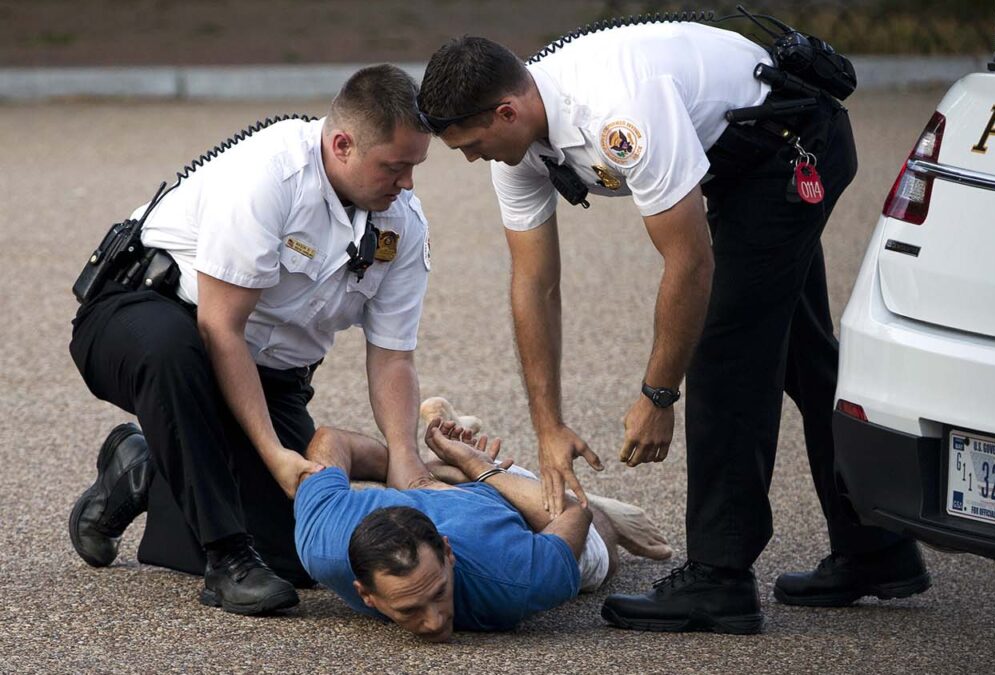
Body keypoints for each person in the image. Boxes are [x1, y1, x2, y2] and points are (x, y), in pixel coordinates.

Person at [417, 20, 929, 634]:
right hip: (735, 162)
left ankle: (719, 580)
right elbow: (534, 283)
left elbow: (690, 261)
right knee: (802, 357)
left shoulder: (619, 109)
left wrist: (658, 395)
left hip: (789, 146)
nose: (473, 159)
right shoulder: (517, 139)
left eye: (471, 145)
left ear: (505, 110)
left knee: (723, 354)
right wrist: (547, 426)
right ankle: (877, 549)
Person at [67, 64, 433, 616]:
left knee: (295, 560)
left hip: (266, 375)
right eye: (395, 167)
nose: (407, 183)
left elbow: (393, 356)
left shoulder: (401, 222)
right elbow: (220, 329)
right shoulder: (272, 175)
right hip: (146, 317)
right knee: (177, 353)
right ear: (342, 145)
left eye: (414, 167)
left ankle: (143, 468)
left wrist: (406, 457)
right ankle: (226, 562)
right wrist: (273, 453)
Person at [288, 405, 672, 642]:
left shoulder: (516, 580)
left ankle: (463, 468)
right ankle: (436, 474)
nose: (436, 621)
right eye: (409, 609)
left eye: (439, 592)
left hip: (500, 501)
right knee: (413, 475)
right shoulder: (322, 544)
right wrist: (408, 466)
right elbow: (332, 438)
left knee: (598, 560)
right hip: (437, 496)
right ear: (365, 594)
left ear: (448, 552)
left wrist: (478, 469)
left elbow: (574, 514)